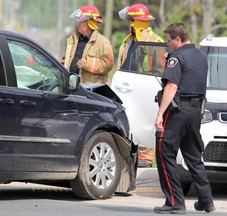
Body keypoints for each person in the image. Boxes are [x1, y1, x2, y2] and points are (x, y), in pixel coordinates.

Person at [153, 23, 216, 214]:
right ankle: (206, 201)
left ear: (177, 39)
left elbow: (171, 87)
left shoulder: (177, 57)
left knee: (165, 153)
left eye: (169, 40)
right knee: (194, 157)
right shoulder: (200, 56)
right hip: (196, 112)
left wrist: (160, 114)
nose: (168, 44)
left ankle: (174, 203)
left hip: (178, 112)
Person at [117, 3, 165, 168]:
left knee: (145, 123)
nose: (128, 23)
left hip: (145, 91)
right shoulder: (130, 40)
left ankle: (145, 160)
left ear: (134, 21)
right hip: (128, 90)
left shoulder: (154, 41)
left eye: (130, 20)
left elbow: (160, 71)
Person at [63, 5, 114, 84]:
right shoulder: (72, 40)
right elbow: (66, 59)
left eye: (80, 20)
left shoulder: (103, 42)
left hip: (90, 90)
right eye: (77, 20)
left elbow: (108, 64)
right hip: (71, 86)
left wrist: (87, 64)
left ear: (90, 22)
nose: (78, 24)